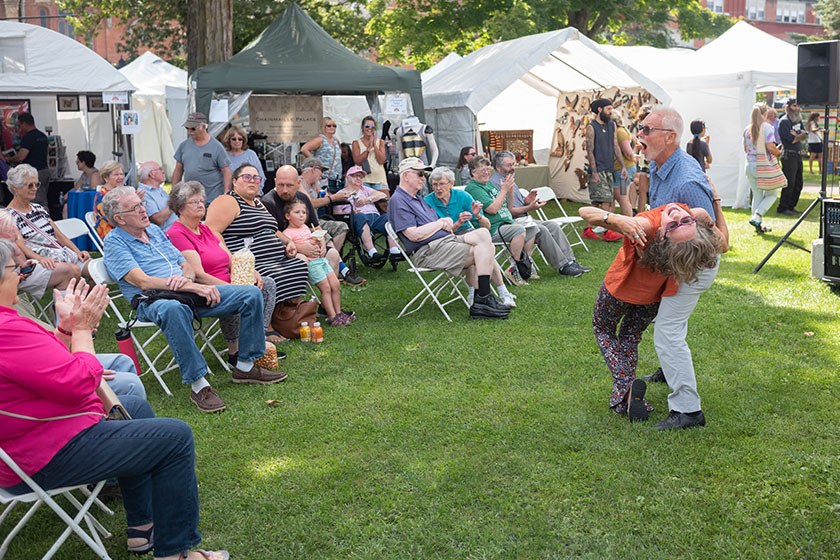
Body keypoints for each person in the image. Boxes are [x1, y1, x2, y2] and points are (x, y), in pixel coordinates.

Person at [0, 244, 229, 560]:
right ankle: (175, 553)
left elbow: (44, 368)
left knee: (133, 411)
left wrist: (66, 329)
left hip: (33, 442)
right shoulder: (7, 330)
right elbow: (80, 385)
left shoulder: (8, 325)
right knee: (175, 437)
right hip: (41, 456)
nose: (24, 276)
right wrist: (82, 332)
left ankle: (141, 526)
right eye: (19, 269)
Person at [102, 186, 287, 413]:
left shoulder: (155, 231)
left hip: (187, 291)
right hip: (152, 299)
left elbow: (186, 264)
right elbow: (143, 282)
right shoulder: (114, 242)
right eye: (135, 208)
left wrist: (188, 279)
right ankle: (199, 384)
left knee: (250, 293)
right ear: (119, 218)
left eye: (141, 205)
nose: (143, 210)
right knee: (173, 309)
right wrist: (191, 286)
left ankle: (245, 365)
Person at [580, 202, 728, 422]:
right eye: (685, 221)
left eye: (674, 226)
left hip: (620, 288)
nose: (679, 215)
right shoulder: (697, 217)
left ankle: (626, 386)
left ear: (661, 237)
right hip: (652, 297)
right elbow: (722, 245)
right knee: (630, 337)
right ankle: (626, 395)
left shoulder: (646, 225)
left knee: (602, 328)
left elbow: (585, 213)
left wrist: (616, 219)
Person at [636, 107, 729, 430]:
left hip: (695, 266)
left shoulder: (687, 180)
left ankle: (688, 410)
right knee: (668, 322)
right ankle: (669, 369)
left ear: (670, 137)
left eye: (647, 129)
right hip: (677, 262)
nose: (640, 135)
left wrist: (712, 206)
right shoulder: (658, 165)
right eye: (640, 128)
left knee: (667, 331)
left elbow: (719, 243)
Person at [388, 157, 510, 320]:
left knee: (483, 234)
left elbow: (444, 227)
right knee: (485, 249)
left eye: (423, 175)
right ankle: (483, 299)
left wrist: (451, 223)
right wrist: (440, 223)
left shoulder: (417, 198)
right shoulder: (399, 201)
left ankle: (482, 298)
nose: (424, 179)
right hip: (428, 251)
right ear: (406, 175)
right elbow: (413, 235)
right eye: (420, 174)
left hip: (445, 242)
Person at [166, 180, 285, 347]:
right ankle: (235, 351)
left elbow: (231, 260)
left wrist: (252, 273)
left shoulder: (205, 228)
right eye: (194, 202)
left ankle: (257, 339)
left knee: (267, 284)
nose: (201, 205)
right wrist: (233, 288)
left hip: (227, 281)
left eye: (202, 201)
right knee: (241, 294)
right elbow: (199, 275)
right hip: (206, 289)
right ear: (179, 207)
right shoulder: (178, 233)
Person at [204, 164, 309, 305]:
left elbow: (271, 229)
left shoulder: (258, 203)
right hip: (251, 263)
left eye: (256, 178)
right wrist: (234, 263)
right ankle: (269, 323)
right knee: (271, 276)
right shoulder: (228, 201)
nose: (252, 181)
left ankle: (289, 315)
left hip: (275, 260)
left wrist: (289, 242)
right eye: (246, 177)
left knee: (299, 265)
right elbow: (212, 232)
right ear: (235, 181)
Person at [423, 166, 516, 307]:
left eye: (442, 184)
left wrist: (478, 215)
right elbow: (436, 233)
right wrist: (458, 223)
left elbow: (486, 226)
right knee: (482, 249)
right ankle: (480, 292)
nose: (438, 188)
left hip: (466, 234)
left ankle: (498, 292)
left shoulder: (462, 197)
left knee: (484, 246)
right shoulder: (428, 202)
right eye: (434, 185)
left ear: (451, 184)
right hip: (444, 240)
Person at [490, 150, 590, 278]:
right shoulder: (497, 184)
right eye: (509, 165)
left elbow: (517, 202)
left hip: (524, 218)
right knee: (541, 230)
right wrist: (529, 207)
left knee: (553, 225)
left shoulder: (508, 180)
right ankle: (563, 266)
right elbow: (507, 212)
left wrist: (527, 200)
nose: (513, 168)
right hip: (513, 223)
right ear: (498, 167)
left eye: (513, 164)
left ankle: (570, 261)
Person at [263, 164, 364, 287]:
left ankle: (329, 301)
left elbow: (316, 226)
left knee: (333, 254)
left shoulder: (302, 198)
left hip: (307, 241)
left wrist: (321, 241)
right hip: (285, 249)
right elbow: (272, 232)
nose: (285, 190)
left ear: (298, 183)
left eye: (289, 185)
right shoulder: (268, 202)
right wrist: (300, 247)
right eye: (280, 185)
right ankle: (296, 302)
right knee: (301, 260)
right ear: (275, 182)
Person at [5, 164, 91, 280]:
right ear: (15, 187)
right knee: (73, 271)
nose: (35, 188)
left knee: (94, 269)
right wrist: (40, 259)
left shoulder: (39, 209)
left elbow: (58, 235)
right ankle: (74, 297)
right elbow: (19, 245)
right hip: (43, 261)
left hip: (62, 254)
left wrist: (77, 251)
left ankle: (87, 297)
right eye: (30, 185)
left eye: (36, 184)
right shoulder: (9, 216)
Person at [464, 155, 534, 287]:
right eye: (482, 170)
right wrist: (503, 190)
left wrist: (510, 191)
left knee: (533, 227)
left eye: (487, 170)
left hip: (506, 223)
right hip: (491, 229)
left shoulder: (489, 185)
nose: (486, 173)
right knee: (519, 230)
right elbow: (493, 209)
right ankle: (514, 268)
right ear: (473, 173)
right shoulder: (473, 188)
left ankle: (525, 265)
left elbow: (508, 207)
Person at [282, 198, 352, 326]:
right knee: (325, 287)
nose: (302, 215)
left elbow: (313, 241)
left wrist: (318, 240)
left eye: (304, 212)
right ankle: (332, 317)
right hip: (312, 264)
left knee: (335, 284)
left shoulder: (306, 227)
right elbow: (289, 249)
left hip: (321, 261)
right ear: (287, 216)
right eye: (297, 212)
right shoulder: (287, 234)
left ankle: (338, 312)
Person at [0, 208, 78, 301]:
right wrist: (17, 275)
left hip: (21, 273)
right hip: (9, 279)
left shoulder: (11, 238)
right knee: (67, 270)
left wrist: (25, 268)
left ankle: (62, 308)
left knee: (71, 269)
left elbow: (22, 261)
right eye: (10, 229)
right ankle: (61, 310)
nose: (15, 233)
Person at [583, 98, 630, 241]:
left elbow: (616, 146)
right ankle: (606, 232)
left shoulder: (612, 125)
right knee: (605, 201)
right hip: (598, 170)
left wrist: (622, 166)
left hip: (609, 169)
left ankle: (588, 229)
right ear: (599, 110)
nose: (611, 112)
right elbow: (590, 151)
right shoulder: (591, 127)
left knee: (597, 201)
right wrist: (594, 172)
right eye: (608, 109)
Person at [339, 165, 399, 261]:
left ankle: (394, 250)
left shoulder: (365, 190)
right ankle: (372, 251)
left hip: (375, 218)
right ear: (348, 177)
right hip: (357, 219)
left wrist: (367, 199)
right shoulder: (342, 193)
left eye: (361, 176)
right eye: (355, 176)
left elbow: (382, 194)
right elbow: (336, 211)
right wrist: (350, 211)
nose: (358, 178)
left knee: (389, 218)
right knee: (361, 217)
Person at [171, 112, 231, 205]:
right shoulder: (184, 146)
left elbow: (226, 171)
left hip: (213, 199)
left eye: (193, 128)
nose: (189, 131)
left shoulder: (216, 147)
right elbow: (178, 170)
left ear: (203, 127)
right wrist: (174, 191)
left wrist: (227, 192)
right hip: (191, 199)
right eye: (187, 128)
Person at [744, 103, 781, 234]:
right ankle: (757, 216)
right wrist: (779, 152)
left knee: (757, 195)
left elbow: (745, 149)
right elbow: (771, 147)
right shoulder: (767, 128)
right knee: (772, 194)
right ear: (765, 114)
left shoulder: (747, 129)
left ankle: (757, 226)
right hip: (763, 166)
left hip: (749, 165)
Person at [4, 113, 50, 206]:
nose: (19, 128)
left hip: (35, 174)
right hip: (45, 171)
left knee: (36, 202)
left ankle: (41, 219)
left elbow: (21, 156)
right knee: (42, 199)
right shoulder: (42, 136)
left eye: (19, 125)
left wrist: (8, 159)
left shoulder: (28, 137)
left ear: (24, 123)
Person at [776, 98, 807, 216]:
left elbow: (805, 135)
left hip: (797, 154)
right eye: (794, 106)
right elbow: (792, 140)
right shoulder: (784, 121)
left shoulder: (797, 120)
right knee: (790, 182)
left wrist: (799, 135)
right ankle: (783, 207)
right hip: (789, 155)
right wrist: (800, 136)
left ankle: (791, 206)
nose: (796, 108)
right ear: (788, 107)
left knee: (799, 183)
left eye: (797, 106)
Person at [301, 117, 343, 192]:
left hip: (337, 178)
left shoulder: (336, 140)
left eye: (334, 125)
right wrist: (316, 162)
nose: (332, 127)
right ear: (324, 127)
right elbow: (304, 149)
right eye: (329, 125)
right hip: (324, 178)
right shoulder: (320, 139)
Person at [93, 160, 130, 240]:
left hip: (123, 228)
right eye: (116, 175)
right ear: (106, 178)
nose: (120, 177)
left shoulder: (121, 192)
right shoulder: (102, 195)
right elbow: (111, 220)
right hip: (110, 233)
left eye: (121, 174)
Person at [352, 116, 388, 194]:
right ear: (362, 127)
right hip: (363, 179)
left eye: (372, 127)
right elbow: (357, 161)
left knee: (384, 203)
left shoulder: (380, 142)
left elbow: (382, 160)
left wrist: (374, 145)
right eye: (367, 126)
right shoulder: (356, 143)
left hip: (379, 178)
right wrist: (368, 149)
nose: (370, 128)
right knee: (363, 204)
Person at [137, 161, 177, 232]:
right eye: (160, 169)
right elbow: (158, 220)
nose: (163, 172)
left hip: (179, 228)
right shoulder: (143, 193)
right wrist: (175, 202)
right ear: (152, 174)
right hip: (168, 234)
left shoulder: (159, 189)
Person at [613, 114, 637, 205]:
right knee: (619, 197)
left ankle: (628, 219)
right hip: (620, 169)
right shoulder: (620, 131)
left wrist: (633, 159)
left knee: (622, 197)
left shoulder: (620, 132)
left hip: (623, 170)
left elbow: (628, 152)